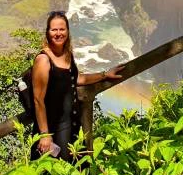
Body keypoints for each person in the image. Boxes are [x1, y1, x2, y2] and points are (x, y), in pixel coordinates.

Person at [31, 11, 123, 162]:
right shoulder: (43, 60)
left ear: (67, 31)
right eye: (54, 29)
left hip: (71, 126)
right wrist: (45, 135)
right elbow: (38, 100)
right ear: (47, 32)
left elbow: (77, 78)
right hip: (53, 129)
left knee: (76, 171)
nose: (58, 33)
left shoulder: (67, 54)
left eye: (62, 29)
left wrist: (105, 74)